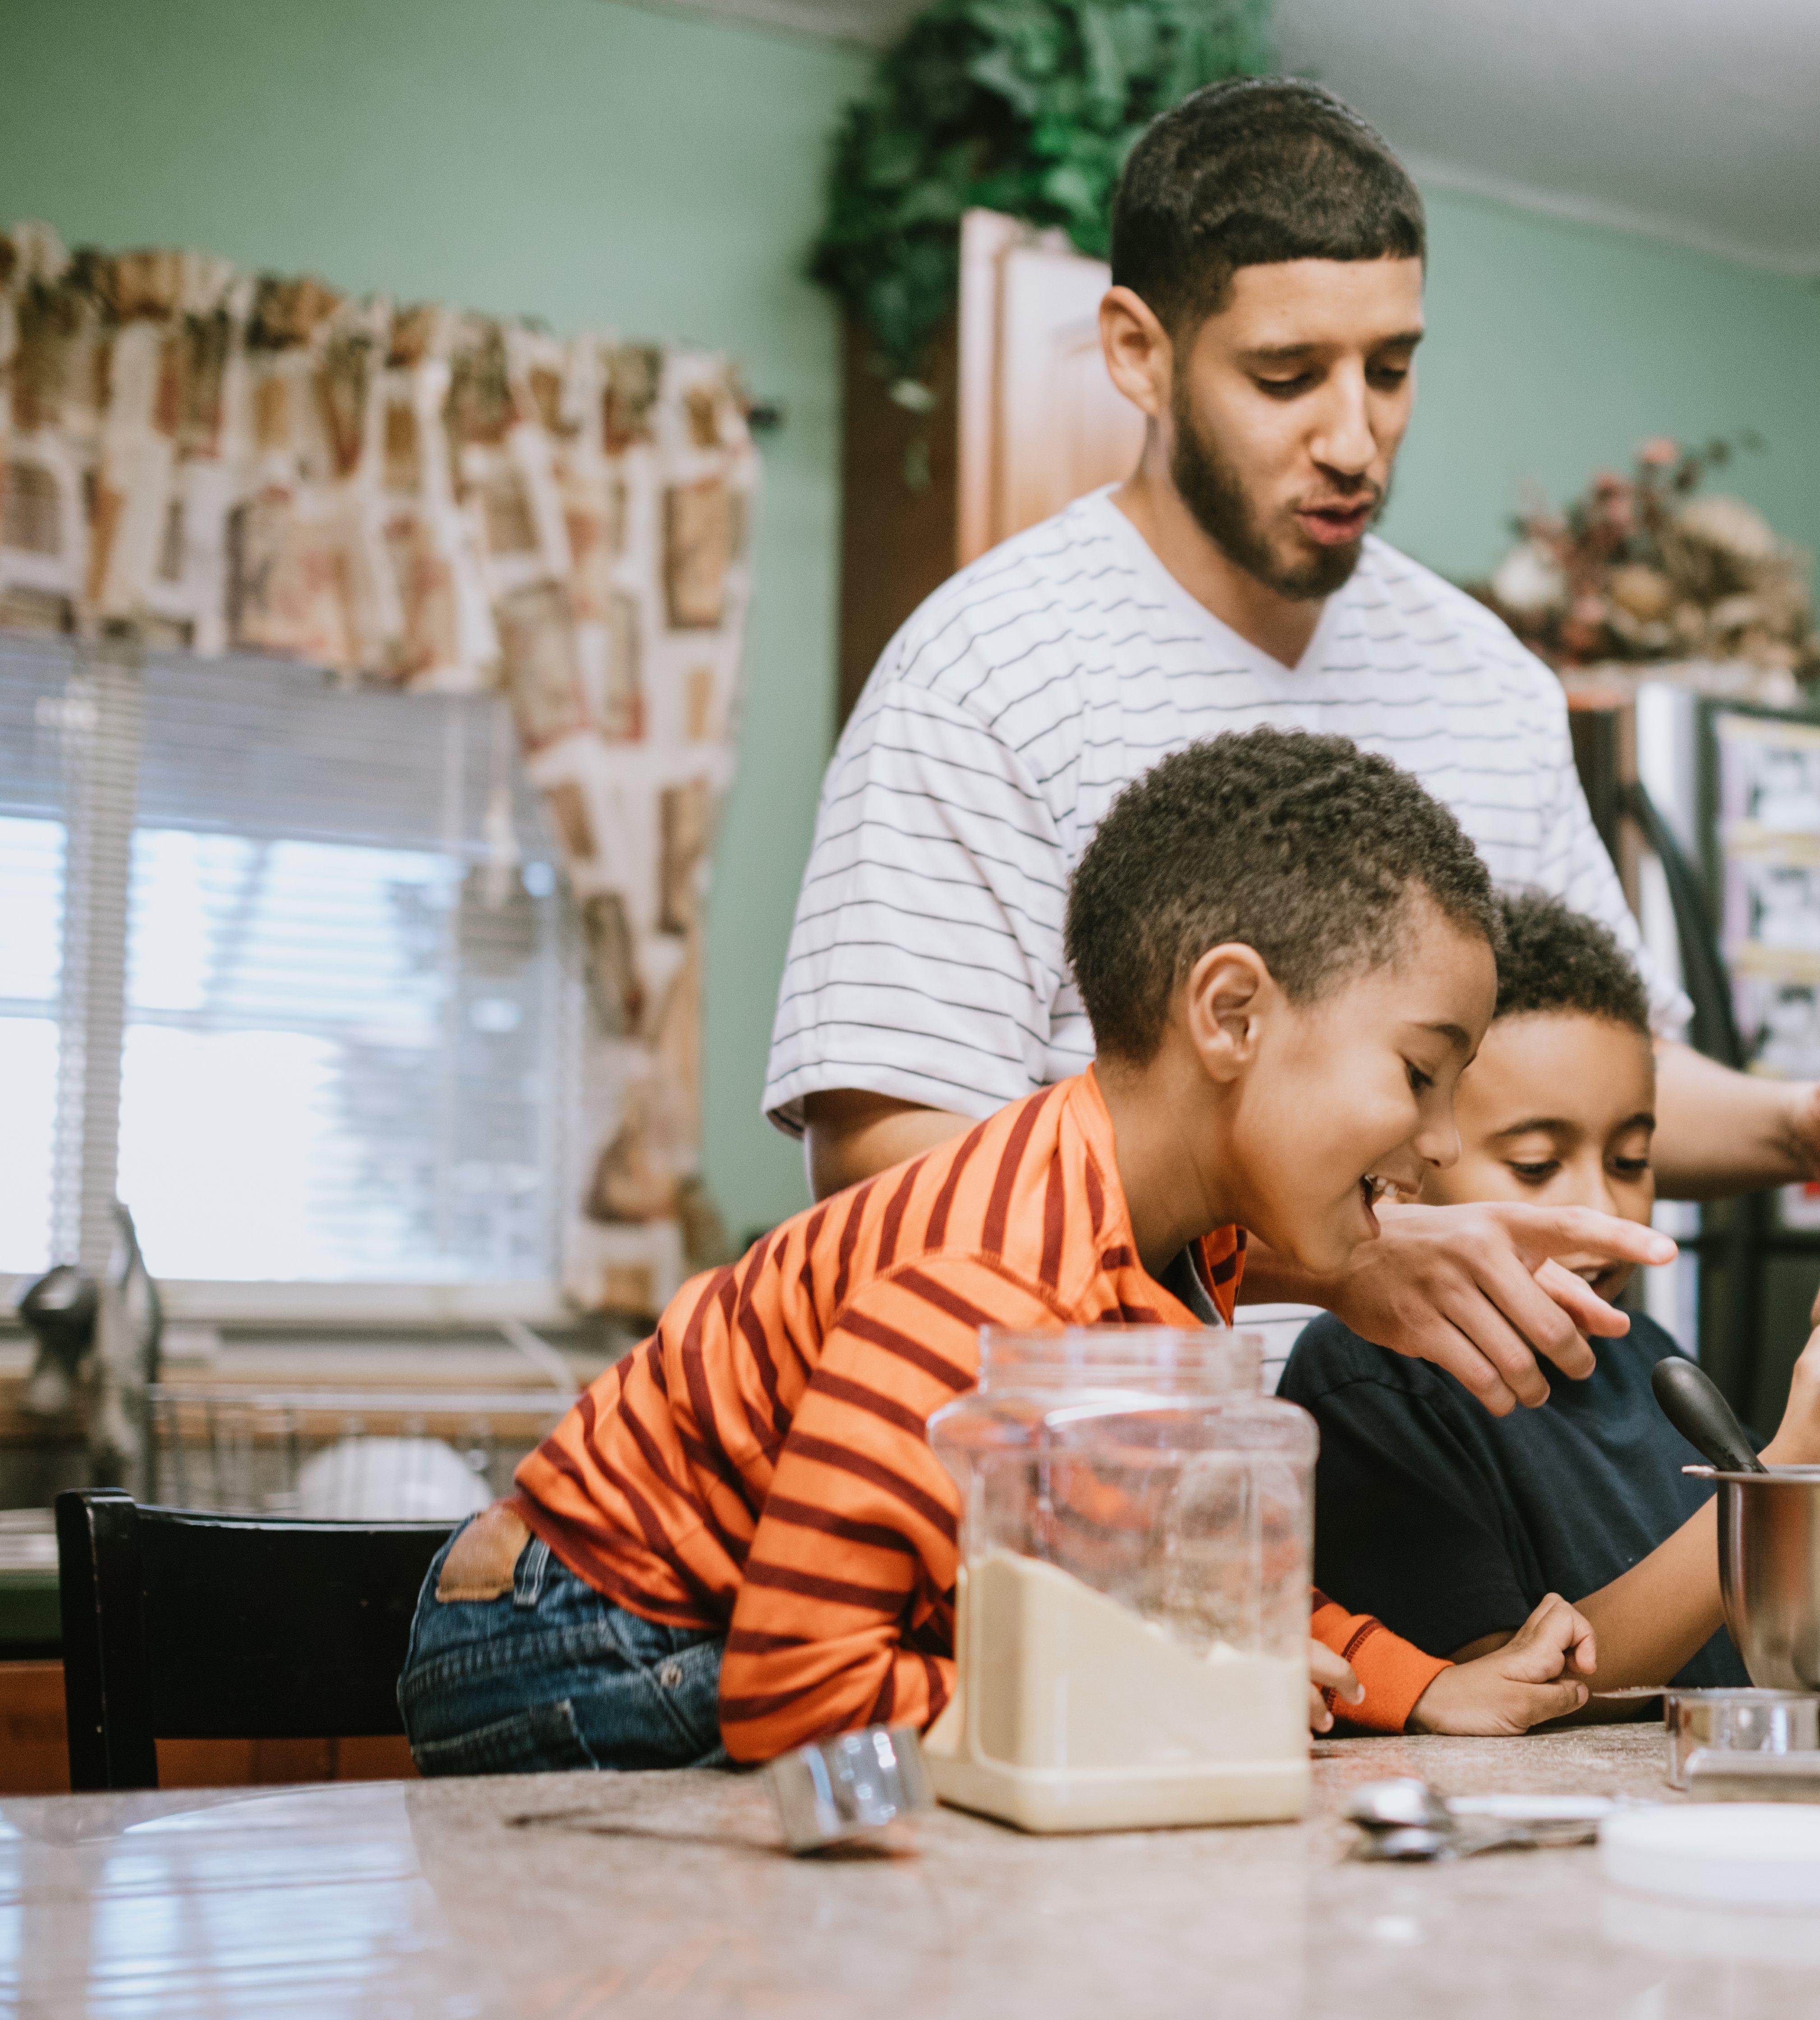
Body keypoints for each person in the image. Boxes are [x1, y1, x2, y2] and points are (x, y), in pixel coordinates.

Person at [766, 77, 1820, 1419]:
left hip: (1459, 1465)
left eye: (1390, 369)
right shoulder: (983, 668)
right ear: (1137, 351)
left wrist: (1799, 1124)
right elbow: (881, 1170)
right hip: (1103, 1465)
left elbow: (1593, 1063)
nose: (1355, 439)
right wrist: (1337, 1262)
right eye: (1285, 376)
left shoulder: (1485, 682)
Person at [400, 731, 1600, 1772]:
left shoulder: (1179, 1251)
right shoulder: (989, 1276)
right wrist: (1154, 1699)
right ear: (1230, 1015)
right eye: (1419, 1075)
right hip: (589, 1637)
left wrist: (1430, 1688)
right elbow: (799, 1693)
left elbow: (1185, 1573)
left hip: (735, 1629)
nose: (1443, 1146)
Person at [1280, 892, 1820, 1697]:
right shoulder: (1368, 1381)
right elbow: (1511, 1700)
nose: (1603, 1210)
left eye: (1633, 1160)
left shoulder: (1646, 1359)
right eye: (1537, 1164)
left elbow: (1793, 1626)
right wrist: (1784, 1475)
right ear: (1411, 1158)